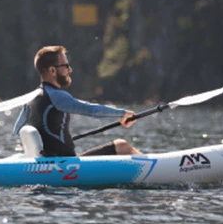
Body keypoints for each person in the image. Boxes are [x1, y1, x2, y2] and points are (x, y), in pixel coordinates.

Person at [13, 45, 142, 157]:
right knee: (122, 146)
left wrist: (44, 147)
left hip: (50, 163)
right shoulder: (57, 96)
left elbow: (18, 130)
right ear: (52, 70)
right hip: (65, 163)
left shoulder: (30, 98)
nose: (70, 70)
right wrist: (123, 113)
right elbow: (91, 110)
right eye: (66, 66)